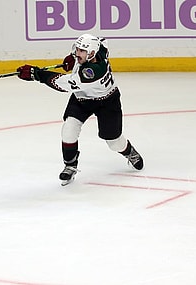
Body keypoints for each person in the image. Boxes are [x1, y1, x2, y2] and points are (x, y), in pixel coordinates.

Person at [16, 34, 144, 186]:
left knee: (113, 142)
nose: (77, 53)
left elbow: (64, 84)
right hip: (82, 99)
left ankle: (129, 152)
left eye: (81, 51)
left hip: (107, 102)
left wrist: (37, 74)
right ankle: (70, 165)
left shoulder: (93, 72)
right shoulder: (100, 48)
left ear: (91, 53)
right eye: (77, 49)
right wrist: (72, 59)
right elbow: (102, 40)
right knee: (68, 129)